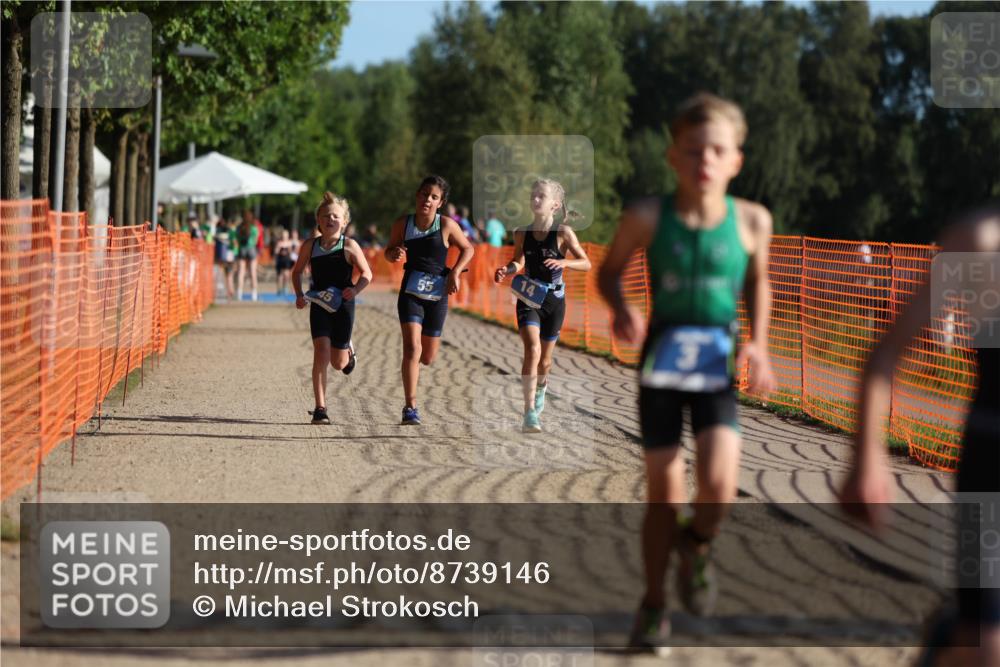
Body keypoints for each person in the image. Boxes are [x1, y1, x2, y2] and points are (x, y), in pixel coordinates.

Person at [597, 93, 776, 651]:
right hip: (663, 368)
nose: (705, 160)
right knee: (665, 494)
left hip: (718, 366)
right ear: (674, 156)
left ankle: (696, 545)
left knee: (721, 487)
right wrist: (622, 307)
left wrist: (760, 344)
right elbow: (608, 275)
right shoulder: (648, 217)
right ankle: (653, 606)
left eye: (717, 150)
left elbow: (758, 283)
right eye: (694, 150)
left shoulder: (752, 220)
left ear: (735, 161)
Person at [840, 202, 1000, 667]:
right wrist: (866, 457)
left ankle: (956, 630)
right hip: (989, 470)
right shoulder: (980, 240)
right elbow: (886, 354)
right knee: (988, 649)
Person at [494, 178, 591, 432]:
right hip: (528, 298)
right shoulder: (521, 233)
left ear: (555, 205)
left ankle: (541, 388)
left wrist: (564, 263)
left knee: (545, 362)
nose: (536, 200)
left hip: (555, 301)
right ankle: (528, 413)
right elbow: (519, 261)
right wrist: (507, 269)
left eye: (541, 196)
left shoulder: (563, 233)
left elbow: (586, 263)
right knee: (532, 350)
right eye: (533, 195)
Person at [384, 175, 475, 425]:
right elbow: (388, 252)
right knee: (412, 348)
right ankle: (410, 406)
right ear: (417, 195)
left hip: (437, 294)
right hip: (411, 292)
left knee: (427, 357)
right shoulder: (403, 224)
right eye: (424, 194)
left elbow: (469, 248)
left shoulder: (445, 225)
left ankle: (413, 393)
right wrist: (394, 253)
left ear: (441, 202)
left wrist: (455, 271)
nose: (427, 199)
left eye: (434, 197)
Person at [292, 192, 372, 425]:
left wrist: (355, 290)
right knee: (321, 353)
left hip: (343, 305)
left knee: (339, 364)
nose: (330, 220)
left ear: (344, 221)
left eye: (336, 216)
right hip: (319, 304)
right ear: (318, 220)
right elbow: (296, 271)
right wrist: (299, 294)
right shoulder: (310, 246)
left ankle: (349, 351)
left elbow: (367, 273)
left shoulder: (350, 246)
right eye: (326, 216)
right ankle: (320, 408)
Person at [236, 210, 260, 301]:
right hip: (251, 249)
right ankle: (254, 294)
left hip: (242, 249)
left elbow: (237, 239)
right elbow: (256, 241)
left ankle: (239, 293)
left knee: (241, 272)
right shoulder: (253, 228)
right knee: (253, 272)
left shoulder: (239, 228)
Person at [273, 228, 295, 296]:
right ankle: (279, 289)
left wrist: (289, 249)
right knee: (279, 275)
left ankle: (285, 288)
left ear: (287, 236)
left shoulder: (290, 243)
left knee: (286, 275)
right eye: (283, 235)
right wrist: (278, 249)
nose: (284, 236)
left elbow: (292, 253)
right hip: (280, 260)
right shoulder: (279, 243)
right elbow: (275, 252)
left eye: (285, 235)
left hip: (287, 261)